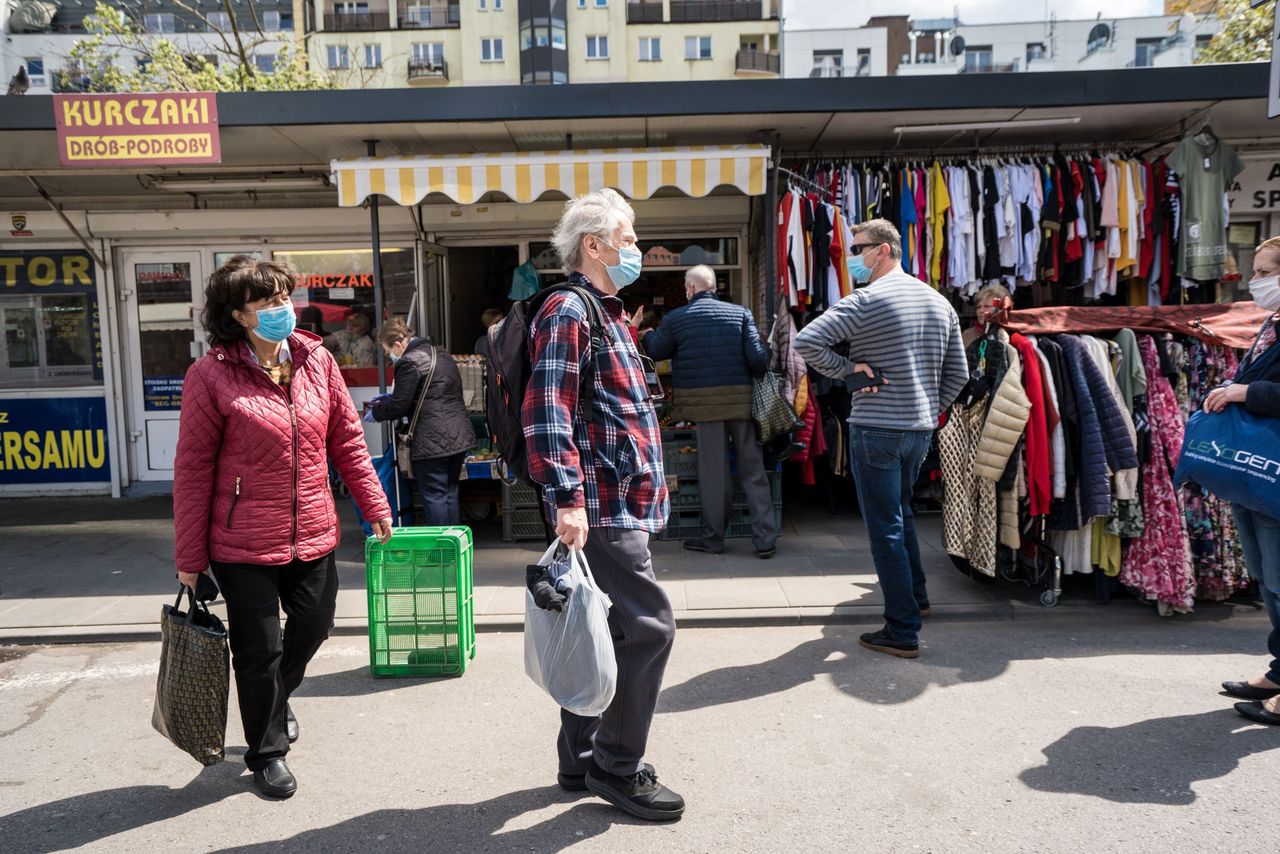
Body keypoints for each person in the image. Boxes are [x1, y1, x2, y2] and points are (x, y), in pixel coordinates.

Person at [173, 256, 393, 800]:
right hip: (241, 540)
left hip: (314, 528)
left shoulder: (316, 359)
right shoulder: (210, 375)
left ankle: (275, 698)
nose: (282, 309)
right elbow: (193, 469)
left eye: (284, 297)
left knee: (315, 626)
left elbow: (346, 440)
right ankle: (266, 752)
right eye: (268, 302)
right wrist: (190, 558)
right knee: (258, 650)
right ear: (238, 315)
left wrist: (375, 505)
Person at [522, 188, 683, 821]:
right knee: (648, 628)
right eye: (630, 238)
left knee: (599, 627)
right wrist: (567, 498)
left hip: (616, 501)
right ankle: (618, 766)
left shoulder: (605, 311)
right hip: (599, 504)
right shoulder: (569, 309)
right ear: (594, 245)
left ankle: (580, 758)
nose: (638, 249)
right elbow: (548, 409)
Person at [793, 219, 968, 660]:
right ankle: (917, 598)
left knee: (884, 527)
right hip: (919, 430)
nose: (851, 256)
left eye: (858, 248)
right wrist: (927, 409)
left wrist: (849, 370)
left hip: (877, 428)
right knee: (902, 514)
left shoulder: (868, 298)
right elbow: (959, 375)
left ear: (883, 251)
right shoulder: (939, 302)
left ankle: (902, 628)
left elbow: (807, 340)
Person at [641, 264, 776, 558]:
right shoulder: (741, 314)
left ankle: (714, 539)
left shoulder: (677, 318)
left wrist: (648, 334)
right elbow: (758, 360)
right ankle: (765, 539)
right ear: (715, 287)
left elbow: (656, 351)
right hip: (741, 404)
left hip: (704, 409)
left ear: (690, 289)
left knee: (715, 474)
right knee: (753, 471)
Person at [1206, 236, 1280, 726]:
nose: (1254, 280)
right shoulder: (1272, 326)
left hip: (1274, 471)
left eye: (1264, 271)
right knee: (1266, 575)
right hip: (1257, 469)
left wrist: (1243, 391)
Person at [370, 319, 476, 526]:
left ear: (399, 344)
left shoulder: (409, 361)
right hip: (458, 435)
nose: (389, 357)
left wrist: (377, 411)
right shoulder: (442, 354)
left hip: (431, 439)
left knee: (434, 496)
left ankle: (442, 549)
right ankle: (454, 546)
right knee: (450, 493)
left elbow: (400, 405)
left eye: (388, 350)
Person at [962, 282, 1010, 348]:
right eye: (978, 307)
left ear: (999, 309)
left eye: (986, 306)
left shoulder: (1009, 334)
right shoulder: (967, 335)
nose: (981, 310)